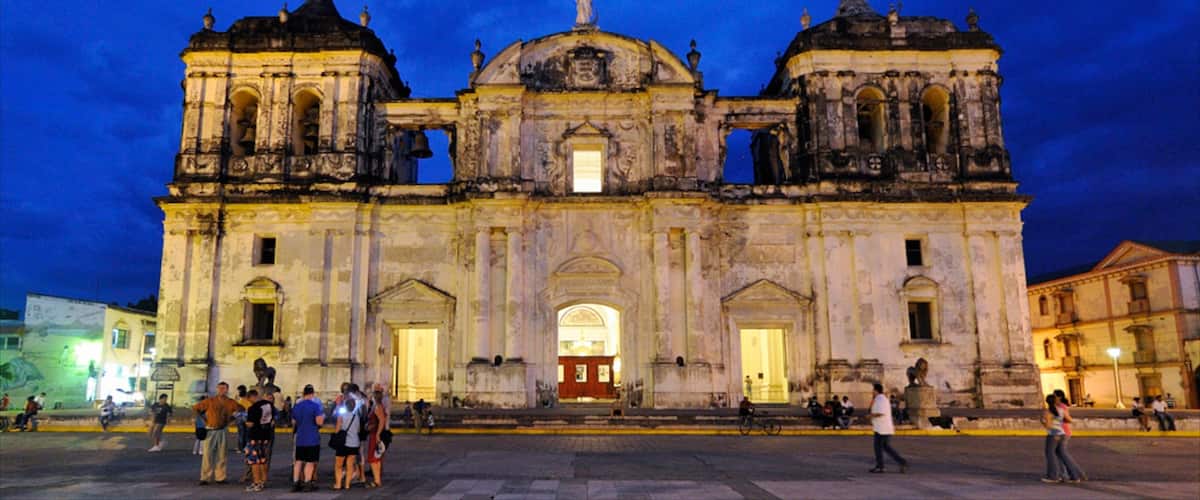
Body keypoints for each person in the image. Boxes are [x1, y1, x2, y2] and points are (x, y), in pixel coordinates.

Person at [192, 381, 244, 485]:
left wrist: (232, 418)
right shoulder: (209, 401)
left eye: (224, 388)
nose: (221, 390)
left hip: (223, 429)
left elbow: (241, 409)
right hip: (210, 429)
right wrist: (203, 420)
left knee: (222, 454)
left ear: (227, 389)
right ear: (217, 389)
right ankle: (205, 477)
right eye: (220, 388)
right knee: (207, 454)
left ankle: (220, 477)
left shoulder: (230, 402)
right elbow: (195, 408)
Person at [1041, 394, 1085, 483]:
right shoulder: (1061, 410)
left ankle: (1053, 476)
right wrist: (1059, 421)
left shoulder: (1048, 412)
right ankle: (1074, 476)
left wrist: (1043, 422)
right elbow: (1070, 420)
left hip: (1053, 435)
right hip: (1062, 433)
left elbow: (1049, 426)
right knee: (1063, 455)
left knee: (1050, 454)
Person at [291, 384, 325, 493]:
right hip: (312, 437)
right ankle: (307, 482)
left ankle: (296, 482)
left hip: (300, 436)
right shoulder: (315, 406)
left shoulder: (297, 406)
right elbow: (319, 421)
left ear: (303, 393)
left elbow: (294, 422)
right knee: (310, 462)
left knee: (298, 461)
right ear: (312, 393)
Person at [868, 383, 907, 474]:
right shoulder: (880, 399)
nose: (872, 392)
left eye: (873, 390)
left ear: (876, 390)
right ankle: (901, 462)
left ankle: (881, 466)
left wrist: (869, 416)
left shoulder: (881, 399)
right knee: (885, 447)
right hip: (881, 428)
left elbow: (880, 413)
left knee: (878, 447)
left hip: (882, 429)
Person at [244, 389, 275, 492]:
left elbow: (250, 423)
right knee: (263, 459)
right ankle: (263, 481)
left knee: (254, 461)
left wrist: (245, 422)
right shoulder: (269, 405)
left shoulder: (253, 408)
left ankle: (256, 482)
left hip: (254, 436)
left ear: (252, 397)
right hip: (265, 436)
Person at [333, 398, 362, 490]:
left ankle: (338, 484)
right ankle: (347, 484)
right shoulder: (356, 417)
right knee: (350, 465)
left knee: (339, 465)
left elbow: (337, 430)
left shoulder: (341, 416)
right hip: (354, 444)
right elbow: (358, 430)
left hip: (343, 444)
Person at [364, 391, 388, 488]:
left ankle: (377, 480)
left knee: (373, 458)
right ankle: (377, 480)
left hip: (375, 435)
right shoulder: (378, 406)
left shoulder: (378, 407)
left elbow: (382, 420)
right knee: (376, 458)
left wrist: (377, 434)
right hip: (375, 433)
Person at [235, 385, 250, 454]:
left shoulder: (239, 399)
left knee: (241, 433)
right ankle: (245, 447)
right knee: (246, 433)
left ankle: (240, 448)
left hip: (240, 417)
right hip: (247, 417)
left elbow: (236, 407)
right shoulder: (248, 397)